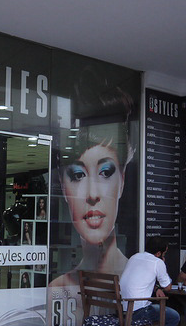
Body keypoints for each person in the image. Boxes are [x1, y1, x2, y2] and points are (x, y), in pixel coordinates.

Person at [50, 80, 135, 288]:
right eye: (78, 175)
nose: (92, 194)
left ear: (122, 181)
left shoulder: (137, 280)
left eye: (105, 172)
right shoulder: (56, 291)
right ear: (63, 187)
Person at [119, 236, 180, 326]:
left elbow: (139, 280)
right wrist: (163, 263)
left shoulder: (134, 257)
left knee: (148, 305)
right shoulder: (158, 262)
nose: (164, 255)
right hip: (136, 312)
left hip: (123, 309)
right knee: (174, 317)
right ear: (158, 253)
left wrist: (156, 288)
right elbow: (168, 287)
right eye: (164, 253)